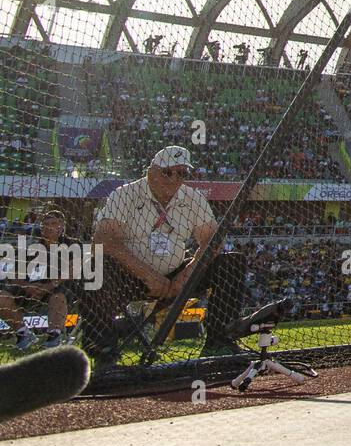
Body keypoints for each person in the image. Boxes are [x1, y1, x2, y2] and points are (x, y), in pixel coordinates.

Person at [80, 146, 246, 362]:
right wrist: (147, 275)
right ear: (152, 172)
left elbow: (212, 241)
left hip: (176, 275)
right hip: (131, 276)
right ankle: (104, 352)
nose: (175, 178)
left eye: (182, 173)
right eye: (168, 172)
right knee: (94, 268)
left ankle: (219, 340)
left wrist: (185, 277)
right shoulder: (125, 194)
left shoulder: (192, 198)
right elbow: (103, 240)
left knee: (231, 262)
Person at [0, 205, 76, 350]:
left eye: (53, 224)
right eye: (45, 224)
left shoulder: (71, 245)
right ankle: (23, 333)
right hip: (30, 288)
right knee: (2, 296)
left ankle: (54, 335)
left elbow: (73, 270)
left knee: (58, 295)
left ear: (61, 226)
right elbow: (13, 272)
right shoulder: (32, 246)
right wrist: (26, 286)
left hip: (55, 288)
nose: (48, 227)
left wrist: (48, 286)